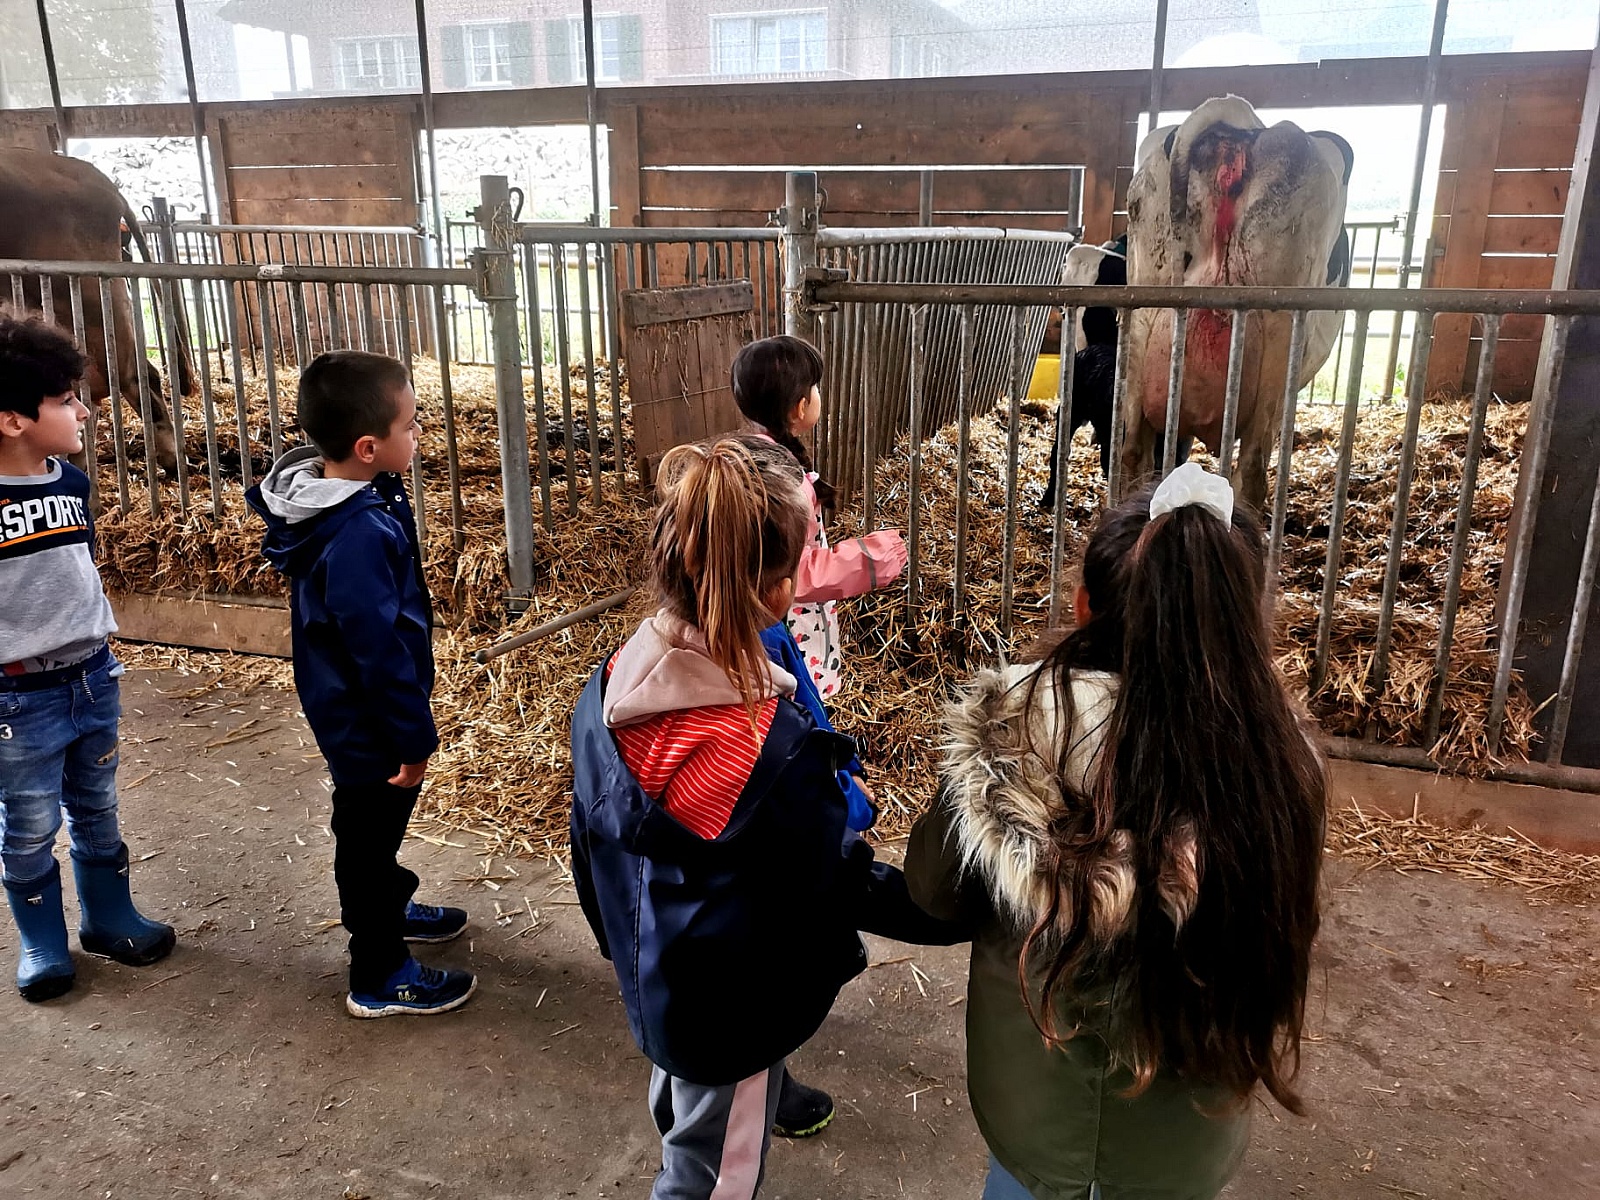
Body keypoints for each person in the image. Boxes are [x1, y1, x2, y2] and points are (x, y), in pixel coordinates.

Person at [906, 463, 1327, 1200]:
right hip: (1186, 1145)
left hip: (1034, 1121)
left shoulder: (1010, 734)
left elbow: (932, 892)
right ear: (1238, 616)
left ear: (1081, 606)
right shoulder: (1275, 765)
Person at [570, 435, 954, 1197]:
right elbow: (835, 881)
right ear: (780, 592)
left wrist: (617, 943)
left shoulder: (608, 685)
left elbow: (589, 839)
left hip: (663, 967)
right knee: (712, 1176)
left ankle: (749, 1097)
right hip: (734, 1010)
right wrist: (954, 910)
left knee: (686, 1103)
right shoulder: (772, 753)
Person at [246, 350, 474, 1019]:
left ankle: (390, 905)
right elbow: (376, 649)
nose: (420, 435)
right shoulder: (357, 533)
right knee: (368, 840)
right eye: (411, 425)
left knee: (374, 830)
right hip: (367, 719)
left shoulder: (345, 496)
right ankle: (379, 972)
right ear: (369, 447)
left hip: (350, 706)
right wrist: (412, 736)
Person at [0, 313, 175, 1002]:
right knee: (29, 822)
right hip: (18, 697)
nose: (84, 410)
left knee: (97, 803)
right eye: (67, 400)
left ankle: (109, 917)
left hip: (92, 677)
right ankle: (42, 942)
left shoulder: (70, 484)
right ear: (12, 420)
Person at [732, 334, 907, 700]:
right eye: (814, 388)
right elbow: (795, 572)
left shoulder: (744, 456)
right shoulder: (783, 482)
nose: (818, 394)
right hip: (788, 621)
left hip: (753, 615)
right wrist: (872, 558)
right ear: (800, 407)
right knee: (796, 695)